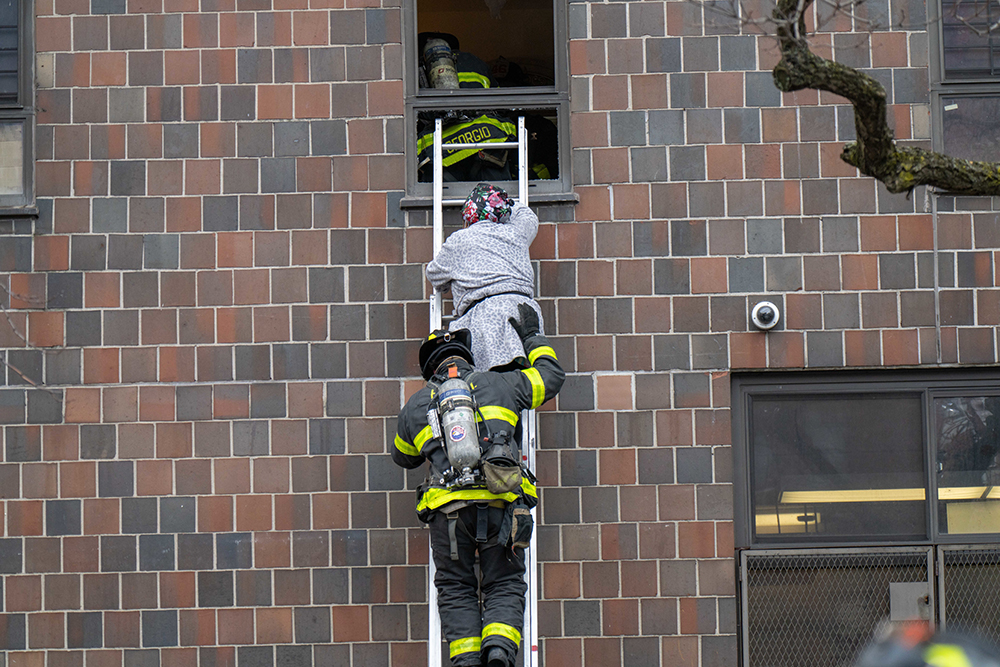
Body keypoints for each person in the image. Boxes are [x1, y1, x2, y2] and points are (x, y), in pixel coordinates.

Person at [392, 305, 564, 667]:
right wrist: (531, 335)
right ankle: (499, 651)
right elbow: (551, 376)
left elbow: (402, 456)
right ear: (468, 357)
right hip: (503, 504)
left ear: (430, 369)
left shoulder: (414, 406)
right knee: (503, 582)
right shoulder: (501, 383)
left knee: (456, 588)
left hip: (449, 514)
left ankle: (467, 660)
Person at [426, 183, 543, 372]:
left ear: (468, 215)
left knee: (490, 386)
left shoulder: (460, 239)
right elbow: (527, 215)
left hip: (487, 317)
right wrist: (505, 203)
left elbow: (434, 274)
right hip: (525, 314)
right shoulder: (517, 232)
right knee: (525, 383)